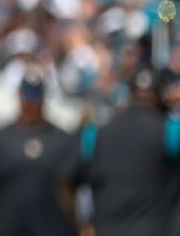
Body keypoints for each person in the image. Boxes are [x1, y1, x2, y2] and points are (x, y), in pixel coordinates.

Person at [71, 68, 180, 236]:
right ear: (161, 97)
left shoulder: (96, 132)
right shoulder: (170, 130)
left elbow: (68, 180)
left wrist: (83, 223)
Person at [0, 70, 77, 236]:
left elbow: (70, 191)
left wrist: (78, 225)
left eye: (35, 98)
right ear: (19, 96)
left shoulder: (63, 140)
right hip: (6, 229)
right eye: (27, 97)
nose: (30, 104)